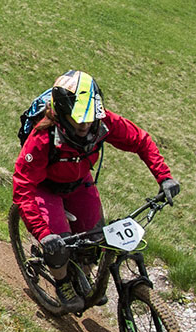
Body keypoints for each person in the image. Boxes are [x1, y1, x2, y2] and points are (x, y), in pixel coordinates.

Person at [12, 70, 179, 298]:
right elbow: (23, 188)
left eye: (90, 117)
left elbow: (140, 140)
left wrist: (164, 177)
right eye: (79, 119)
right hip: (45, 188)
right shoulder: (42, 138)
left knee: (94, 241)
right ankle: (62, 284)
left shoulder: (102, 121)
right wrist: (43, 234)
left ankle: (83, 275)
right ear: (62, 114)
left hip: (79, 183)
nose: (85, 125)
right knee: (59, 247)